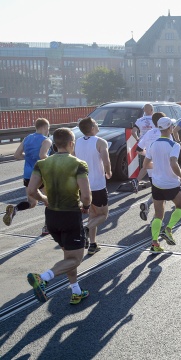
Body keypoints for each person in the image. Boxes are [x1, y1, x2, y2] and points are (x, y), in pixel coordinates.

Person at [26, 128, 91, 305]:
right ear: (71, 143)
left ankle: (76, 290)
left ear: (54, 144)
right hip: (70, 216)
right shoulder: (78, 164)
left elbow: (31, 191)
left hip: (51, 217)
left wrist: (44, 199)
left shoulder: (42, 163)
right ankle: (44, 278)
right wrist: (85, 206)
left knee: (68, 257)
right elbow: (86, 196)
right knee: (76, 258)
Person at [143, 117, 181, 253]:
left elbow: (146, 165)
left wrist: (157, 166)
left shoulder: (152, 144)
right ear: (170, 128)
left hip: (157, 183)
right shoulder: (174, 145)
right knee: (180, 206)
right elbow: (173, 163)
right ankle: (168, 229)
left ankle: (155, 244)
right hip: (171, 183)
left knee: (158, 215)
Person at [4, 118, 52, 237]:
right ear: (45, 127)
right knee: (49, 201)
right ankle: (46, 227)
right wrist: (52, 160)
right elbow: (42, 155)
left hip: (27, 175)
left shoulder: (27, 138)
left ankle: (15, 209)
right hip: (41, 174)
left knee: (32, 203)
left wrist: (29, 156)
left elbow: (17, 155)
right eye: (48, 129)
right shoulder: (46, 140)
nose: (48, 131)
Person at [75, 117, 112, 255]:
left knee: (93, 215)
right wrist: (109, 173)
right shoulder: (100, 142)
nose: (97, 125)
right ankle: (85, 229)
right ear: (91, 128)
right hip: (97, 185)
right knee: (103, 215)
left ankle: (92, 244)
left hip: (83, 185)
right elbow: (106, 161)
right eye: (96, 124)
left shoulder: (77, 142)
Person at [137, 111, 168, 221]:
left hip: (151, 168)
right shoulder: (165, 133)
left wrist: (148, 155)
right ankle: (156, 221)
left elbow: (138, 150)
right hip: (163, 168)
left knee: (157, 193)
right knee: (162, 197)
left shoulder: (149, 133)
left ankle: (147, 204)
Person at [130, 103, 156, 193]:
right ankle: (155, 186)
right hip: (154, 144)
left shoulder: (140, 120)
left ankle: (137, 180)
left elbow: (133, 132)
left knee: (147, 164)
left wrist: (138, 139)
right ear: (152, 110)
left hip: (143, 145)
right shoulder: (155, 120)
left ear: (144, 110)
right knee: (152, 165)